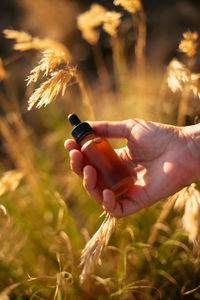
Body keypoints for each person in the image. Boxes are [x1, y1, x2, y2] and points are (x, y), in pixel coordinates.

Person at [64, 118, 200, 218]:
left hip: (123, 184)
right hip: (123, 184)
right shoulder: (93, 145)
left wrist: (187, 143)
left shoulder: (99, 141)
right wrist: (188, 144)